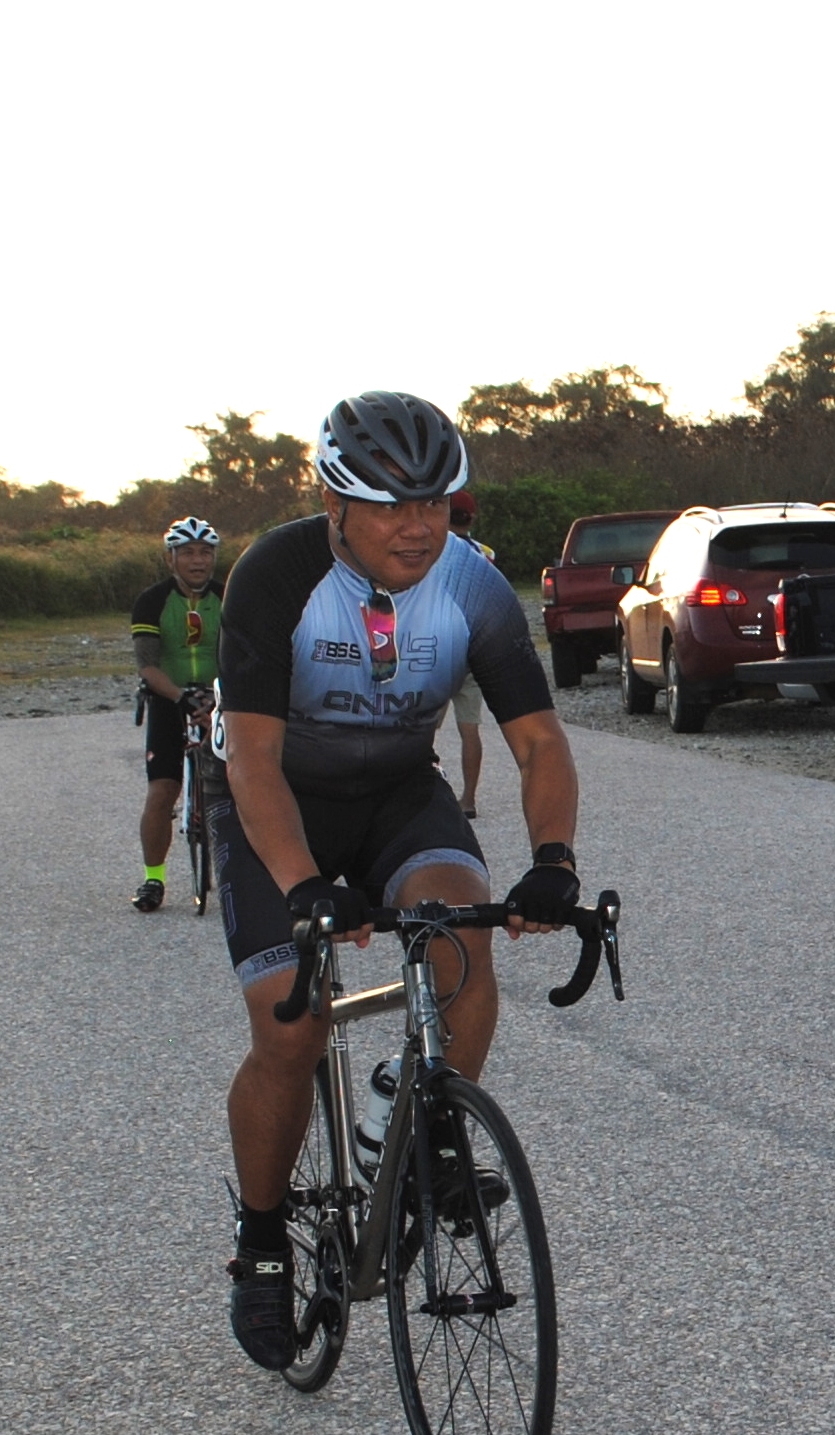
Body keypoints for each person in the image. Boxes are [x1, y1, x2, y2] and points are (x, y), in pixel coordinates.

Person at [213, 390, 584, 1370]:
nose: (418, 525)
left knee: (460, 948)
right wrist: (301, 884)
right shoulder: (275, 575)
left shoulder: (471, 585)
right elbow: (249, 761)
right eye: (388, 504)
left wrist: (552, 860)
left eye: (433, 501)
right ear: (334, 502)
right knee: (288, 1028)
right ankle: (260, 1243)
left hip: (394, 794)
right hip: (275, 800)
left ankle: (425, 1124)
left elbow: (539, 739)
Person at [129, 517, 225, 910]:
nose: (197, 561)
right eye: (187, 553)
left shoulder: (229, 596)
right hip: (169, 698)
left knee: (247, 785)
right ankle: (154, 879)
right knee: (162, 789)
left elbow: (246, 653)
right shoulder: (152, 601)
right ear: (171, 559)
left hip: (221, 700)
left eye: (205, 552)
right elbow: (148, 666)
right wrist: (183, 698)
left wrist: (221, 699)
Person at [446, 491, 492, 816]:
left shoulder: (436, 552)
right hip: (473, 649)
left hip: (439, 649)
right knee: (469, 728)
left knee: (419, 730)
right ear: (472, 519)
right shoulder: (485, 554)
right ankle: (469, 799)